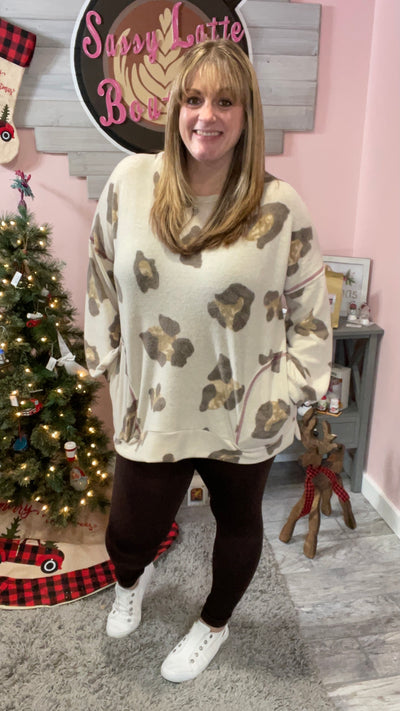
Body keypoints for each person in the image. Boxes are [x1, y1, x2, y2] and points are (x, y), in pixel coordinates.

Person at [84, 38, 332, 683]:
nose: (207, 115)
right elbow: (101, 272)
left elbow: (311, 309)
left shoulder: (279, 205)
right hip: (153, 403)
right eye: (194, 98)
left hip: (246, 411)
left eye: (226, 101)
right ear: (175, 107)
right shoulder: (131, 182)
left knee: (238, 526)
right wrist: (106, 360)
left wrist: (292, 388)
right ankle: (131, 582)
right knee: (128, 533)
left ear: (247, 114)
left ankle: (214, 623)